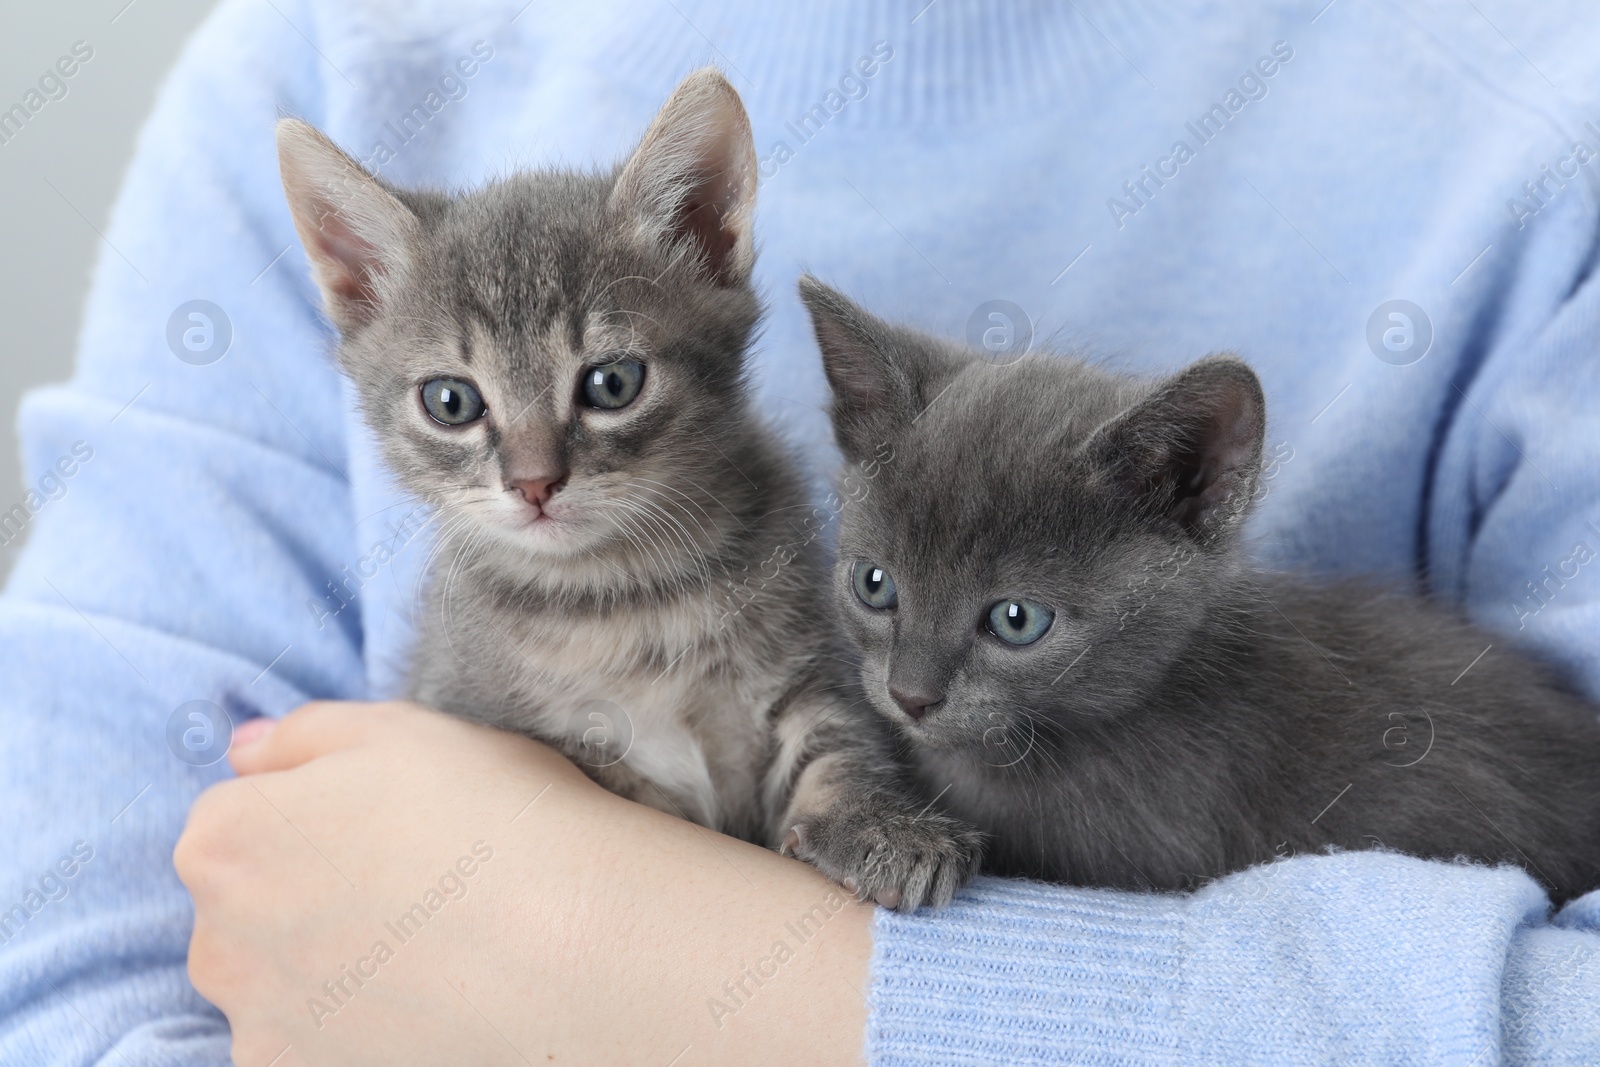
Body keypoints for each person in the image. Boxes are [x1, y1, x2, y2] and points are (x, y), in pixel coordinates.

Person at [5, 0, 1600, 1062]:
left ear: (714, 237)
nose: (537, 473)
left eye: (601, 391)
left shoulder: (1539, 108)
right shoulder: (321, 54)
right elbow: (68, 957)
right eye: (463, 416)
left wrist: (718, 985)